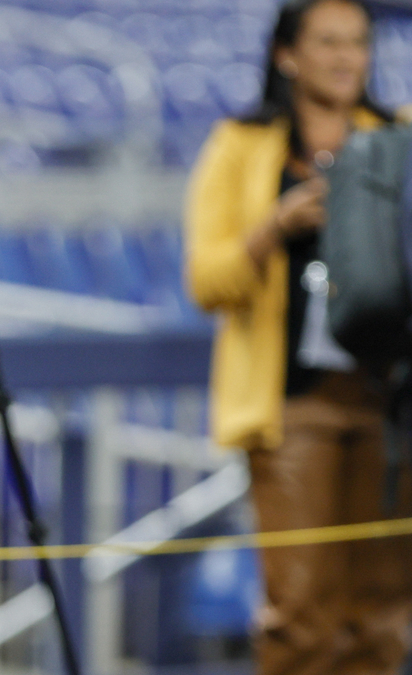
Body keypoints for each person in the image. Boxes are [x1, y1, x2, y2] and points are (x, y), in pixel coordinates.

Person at [184, 1, 412, 673]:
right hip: (293, 407)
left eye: (357, 43)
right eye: (328, 42)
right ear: (286, 55)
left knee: (381, 610)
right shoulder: (238, 144)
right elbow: (205, 280)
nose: (345, 57)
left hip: (390, 403)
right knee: (300, 613)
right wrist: (274, 226)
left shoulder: (396, 138)